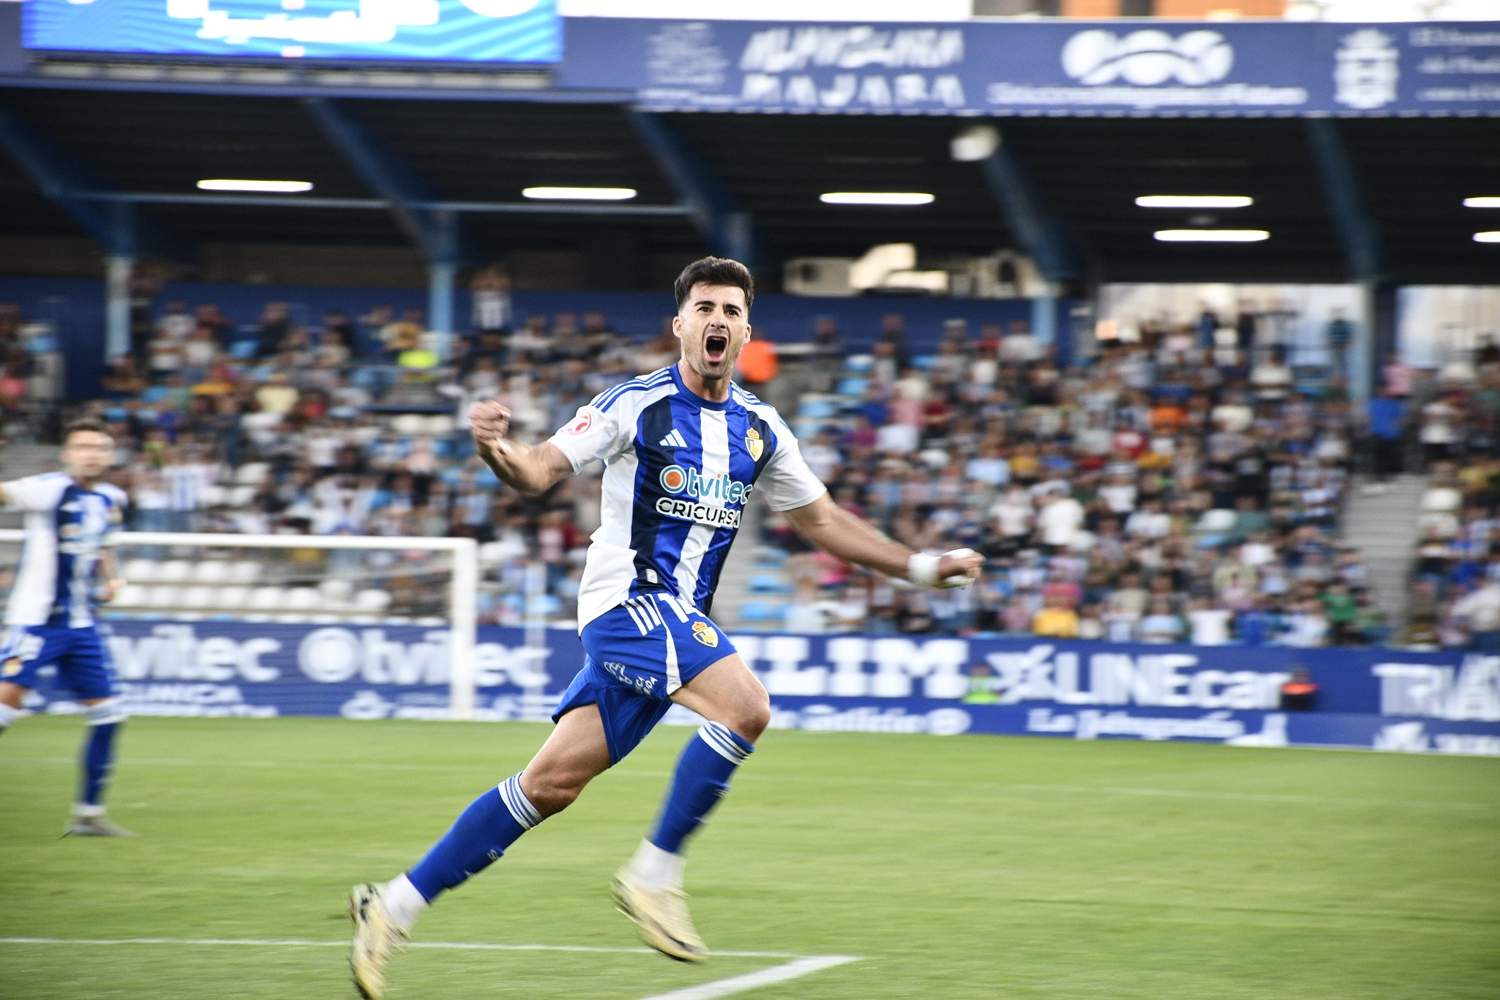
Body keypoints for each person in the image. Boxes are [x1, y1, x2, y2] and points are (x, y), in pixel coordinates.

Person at [346, 257, 982, 999]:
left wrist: (925, 568)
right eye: (704, 307)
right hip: (627, 605)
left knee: (548, 785)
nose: (717, 320)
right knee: (748, 706)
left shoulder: (759, 429)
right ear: (679, 324)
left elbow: (825, 520)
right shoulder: (632, 404)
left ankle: (392, 906)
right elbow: (541, 468)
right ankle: (654, 874)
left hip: (674, 622)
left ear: (746, 331)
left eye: (731, 310)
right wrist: (495, 450)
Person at [0, 420, 131, 836]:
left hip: (82, 624)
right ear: (67, 453)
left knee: (110, 715)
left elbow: (103, 544)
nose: (91, 453)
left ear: (109, 455)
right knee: (6, 705)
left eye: (99, 446)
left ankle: (88, 815)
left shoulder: (112, 498)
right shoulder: (48, 488)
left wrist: (110, 577)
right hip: (37, 622)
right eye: (82, 446)